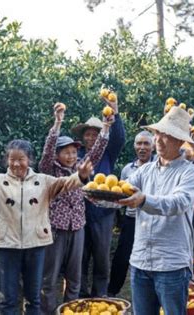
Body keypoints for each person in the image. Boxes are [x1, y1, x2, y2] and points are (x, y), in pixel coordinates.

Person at [0, 139, 92, 314]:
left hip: (35, 245)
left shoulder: (43, 181)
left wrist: (81, 176)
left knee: (34, 298)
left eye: (21, 159)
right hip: (7, 245)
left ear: (29, 160)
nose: (16, 163)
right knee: (8, 299)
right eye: (12, 159)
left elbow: (66, 183)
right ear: (7, 160)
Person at [118, 106, 194, 315]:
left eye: (168, 136)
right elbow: (121, 191)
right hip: (140, 261)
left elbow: (178, 202)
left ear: (180, 141)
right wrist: (97, 192)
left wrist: (144, 199)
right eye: (158, 133)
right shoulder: (144, 171)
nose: (159, 140)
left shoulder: (190, 173)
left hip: (171, 264)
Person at [39, 103, 112, 314]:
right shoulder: (49, 169)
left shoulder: (80, 167)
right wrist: (58, 122)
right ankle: (48, 311)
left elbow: (97, 152)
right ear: (57, 154)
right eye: (67, 152)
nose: (71, 156)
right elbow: (47, 150)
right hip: (56, 228)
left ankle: (70, 309)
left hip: (78, 226)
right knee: (50, 277)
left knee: (74, 277)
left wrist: (105, 128)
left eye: (73, 152)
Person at [72, 93, 126, 297]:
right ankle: (81, 296)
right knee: (80, 257)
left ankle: (100, 294)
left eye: (95, 134)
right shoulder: (75, 156)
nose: (91, 137)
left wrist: (116, 113)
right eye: (88, 134)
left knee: (102, 258)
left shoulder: (107, 153)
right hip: (79, 213)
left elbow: (119, 138)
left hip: (102, 214)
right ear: (83, 137)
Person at [107, 130, 155, 297]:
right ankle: (112, 290)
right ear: (134, 146)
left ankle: (152, 291)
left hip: (152, 220)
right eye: (139, 143)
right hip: (131, 219)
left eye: (146, 143)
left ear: (153, 146)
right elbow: (119, 193)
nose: (142, 147)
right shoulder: (128, 169)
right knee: (122, 255)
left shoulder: (159, 167)